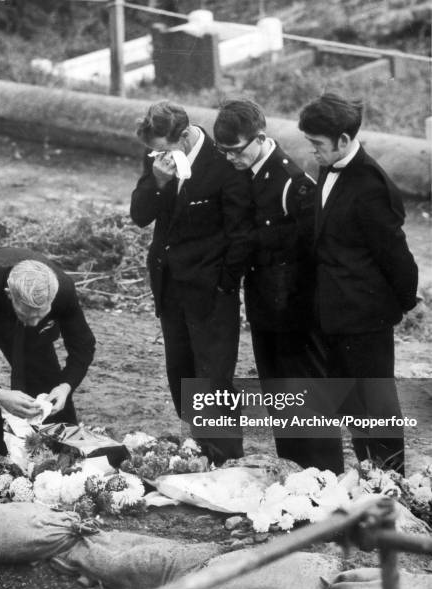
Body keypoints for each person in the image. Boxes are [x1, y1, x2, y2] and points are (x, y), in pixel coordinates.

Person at [213, 98, 344, 473]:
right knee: (279, 397)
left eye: (234, 150)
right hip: (265, 308)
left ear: (259, 138)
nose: (229, 158)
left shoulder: (292, 181)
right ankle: (295, 473)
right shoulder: (244, 171)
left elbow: (311, 252)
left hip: (297, 314)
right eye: (222, 151)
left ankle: (325, 476)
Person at [298, 92, 418, 474]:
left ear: (344, 141)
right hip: (334, 313)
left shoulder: (373, 186)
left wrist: (396, 306)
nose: (312, 151)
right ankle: (367, 474)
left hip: (366, 318)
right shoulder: (328, 166)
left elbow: (397, 258)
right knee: (352, 405)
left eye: (317, 144)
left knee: (377, 406)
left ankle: (390, 484)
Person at [130, 100, 253, 465]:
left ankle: (228, 460)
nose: (157, 154)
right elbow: (139, 215)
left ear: (184, 136)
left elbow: (239, 233)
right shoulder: (157, 159)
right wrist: (159, 181)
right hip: (171, 287)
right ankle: (199, 452)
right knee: (182, 378)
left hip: (211, 292)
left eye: (164, 147)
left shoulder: (222, 162)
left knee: (213, 382)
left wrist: (224, 284)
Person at [0, 247, 96, 454]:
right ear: (9, 295)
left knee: (48, 390)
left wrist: (66, 386)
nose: (33, 322)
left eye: (40, 315)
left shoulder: (62, 289)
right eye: (28, 315)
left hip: (34, 333)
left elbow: (83, 345)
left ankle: (65, 455)